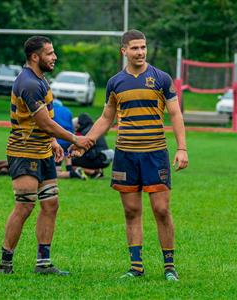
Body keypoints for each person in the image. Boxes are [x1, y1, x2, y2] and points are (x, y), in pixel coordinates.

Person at [70, 30, 188, 281]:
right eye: (135, 48)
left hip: (155, 154)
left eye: (143, 47)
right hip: (126, 154)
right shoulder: (115, 83)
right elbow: (106, 118)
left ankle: (169, 267)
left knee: (162, 209)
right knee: (131, 211)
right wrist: (86, 142)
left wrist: (182, 148)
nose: (140, 52)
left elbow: (176, 114)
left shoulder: (161, 78)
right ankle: (136, 267)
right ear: (123, 50)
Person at [0, 36, 93, 275]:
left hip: (42, 152)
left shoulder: (40, 79)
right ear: (35, 57)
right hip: (23, 152)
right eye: (49, 53)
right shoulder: (28, 83)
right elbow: (45, 122)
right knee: (25, 206)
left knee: (50, 204)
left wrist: (52, 142)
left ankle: (43, 263)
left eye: (53, 52)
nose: (55, 57)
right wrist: (74, 139)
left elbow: (43, 121)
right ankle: (5, 263)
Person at [52, 99, 87, 180]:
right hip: (68, 138)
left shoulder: (51, 110)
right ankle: (70, 170)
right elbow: (71, 127)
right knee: (67, 153)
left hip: (57, 139)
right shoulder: (67, 111)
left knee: (56, 168)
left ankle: (73, 174)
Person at [72, 113, 114, 178]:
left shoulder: (86, 132)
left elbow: (80, 147)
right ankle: (99, 171)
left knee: (73, 160)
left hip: (99, 158)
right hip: (105, 158)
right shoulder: (94, 129)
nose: (77, 127)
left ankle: (93, 172)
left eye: (77, 125)